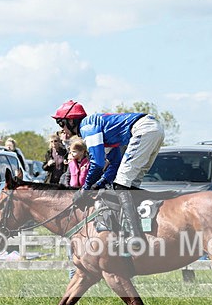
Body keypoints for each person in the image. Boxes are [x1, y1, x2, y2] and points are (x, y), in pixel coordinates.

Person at [51, 99, 165, 249]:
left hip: (143, 129)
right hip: (154, 129)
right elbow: (115, 163)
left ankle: (135, 237)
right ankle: (138, 229)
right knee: (130, 185)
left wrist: (85, 188)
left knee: (121, 185)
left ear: (71, 121)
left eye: (61, 123)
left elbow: (97, 163)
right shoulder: (99, 129)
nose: (62, 129)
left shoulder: (87, 127)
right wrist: (99, 183)